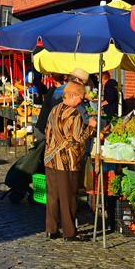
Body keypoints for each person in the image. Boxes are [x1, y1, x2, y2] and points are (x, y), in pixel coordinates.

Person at [43, 81, 97, 241]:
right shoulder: (74, 115)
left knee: (52, 197)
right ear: (72, 96)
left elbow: (48, 133)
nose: (81, 101)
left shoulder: (54, 110)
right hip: (67, 162)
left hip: (50, 159)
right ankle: (69, 232)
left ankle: (51, 229)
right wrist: (91, 127)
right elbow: (78, 140)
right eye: (80, 97)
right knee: (68, 198)